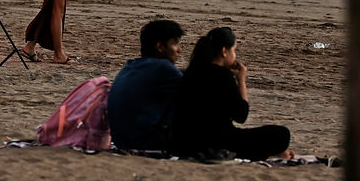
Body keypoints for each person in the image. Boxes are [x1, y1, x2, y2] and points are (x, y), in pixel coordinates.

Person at [170, 26, 294, 161]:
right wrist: (241, 80)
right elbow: (241, 115)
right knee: (281, 134)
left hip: (184, 142)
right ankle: (269, 154)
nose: (234, 56)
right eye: (234, 50)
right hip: (216, 142)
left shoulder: (189, 73)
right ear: (224, 51)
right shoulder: (222, 75)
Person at [107, 20, 185, 151]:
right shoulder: (163, 68)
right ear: (160, 47)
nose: (179, 50)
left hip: (122, 140)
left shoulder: (132, 65)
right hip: (145, 142)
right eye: (175, 44)